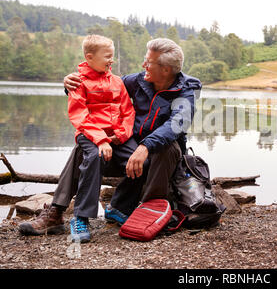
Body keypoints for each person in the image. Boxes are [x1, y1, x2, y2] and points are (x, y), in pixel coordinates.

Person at [19, 38, 202, 241]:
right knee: (86, 147)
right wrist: (71, 84)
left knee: (165, 147)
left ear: (166, 70)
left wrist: (144, 147)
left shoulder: (187, 88)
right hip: (129, 152)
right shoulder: (139, 80)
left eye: (148, 62)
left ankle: (148, 211)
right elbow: (101, 87)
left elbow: (177, 124)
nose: (143, 65)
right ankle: (56, 212)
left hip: (160, 160)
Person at [20, 34, 136, 242]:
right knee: (92, 156)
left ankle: (117, 207)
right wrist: (101, 139)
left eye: (113, 56)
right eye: (107, 56)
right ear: (89, 57)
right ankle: (80, 217)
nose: (112, 60)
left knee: (140, 160)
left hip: (117, 136)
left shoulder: (118, 81)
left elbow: (128, 112)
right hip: (90, 135)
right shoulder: (78, 81)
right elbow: (79, 115)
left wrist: (119, 135)